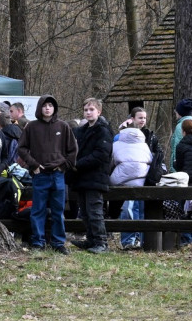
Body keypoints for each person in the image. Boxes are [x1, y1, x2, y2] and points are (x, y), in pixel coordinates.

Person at [15, 95, 77, 254]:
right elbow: (21, 148)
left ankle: (58, 243)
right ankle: (38, 242)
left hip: (57, 175)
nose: (47, 108)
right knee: (38, 210)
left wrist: (64, 166)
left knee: (58, 211)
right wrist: (33, 164)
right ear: (39, 108)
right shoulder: (31, 127)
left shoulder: (63, 127)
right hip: (40, 175)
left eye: (50, 105)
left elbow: (73, 150)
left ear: (55, 108)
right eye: (44, 105)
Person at [68, 98, 113, 254]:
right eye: (86, 110)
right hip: (81, 177)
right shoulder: (82, 130)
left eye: (91, 109)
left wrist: (78, 164)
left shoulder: (103, 130)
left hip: (95, 176)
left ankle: (101, 242)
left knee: (95, 211)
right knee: (85, 212)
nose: (88, 112)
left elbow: (101, 155)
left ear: (98, 111)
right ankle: (91, 239)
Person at [110, 126, 152, 250]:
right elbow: (150, 160)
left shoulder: (116, 144)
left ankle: (128, 240)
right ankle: (141, 239)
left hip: (121, 182)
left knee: (128, 211)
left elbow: (110, 162)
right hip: (142, 182)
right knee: (140, 211)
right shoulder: (144, 146)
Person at [170, 98, 192, 170]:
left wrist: (174, 170)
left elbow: (177, 148)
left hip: (182, 169)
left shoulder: (181, 127)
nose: (175, 113)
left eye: (176, 111)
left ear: (180, 113)